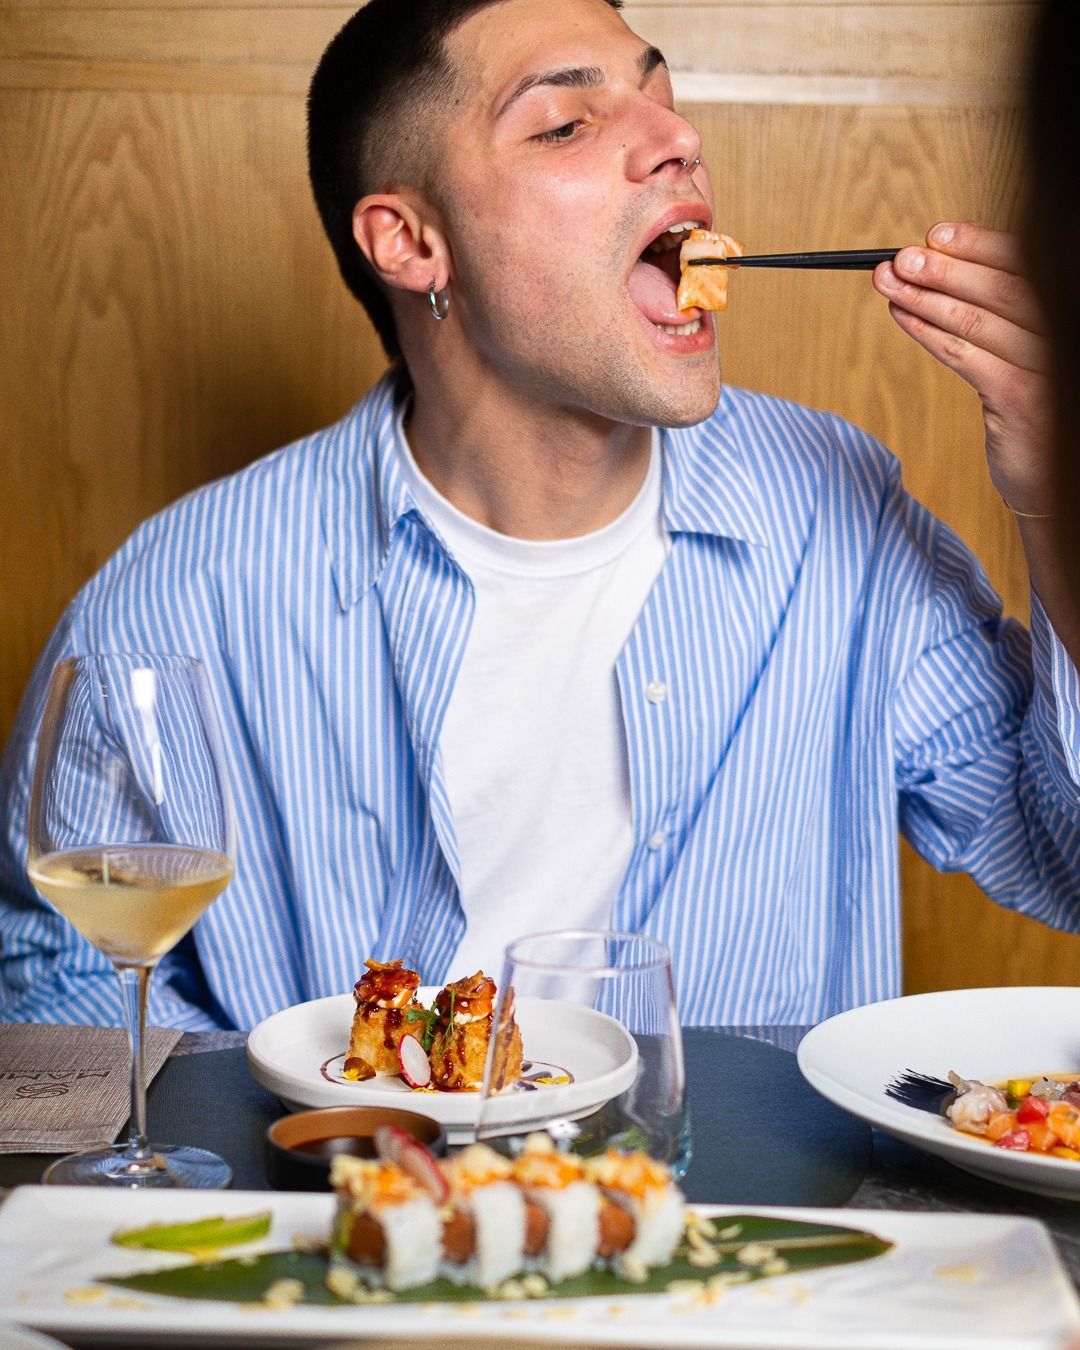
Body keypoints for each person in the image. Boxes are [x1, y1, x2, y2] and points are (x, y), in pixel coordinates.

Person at [1, 0, 1078, 1032]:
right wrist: (289, 1131)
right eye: (566, 123)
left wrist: (1054, 490)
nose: (680, 140)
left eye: (664, 99)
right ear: (411, 242)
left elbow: (1060, 860)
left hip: (726, 1173)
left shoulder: (840, 516)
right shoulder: (179, 599)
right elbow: (52, 973)